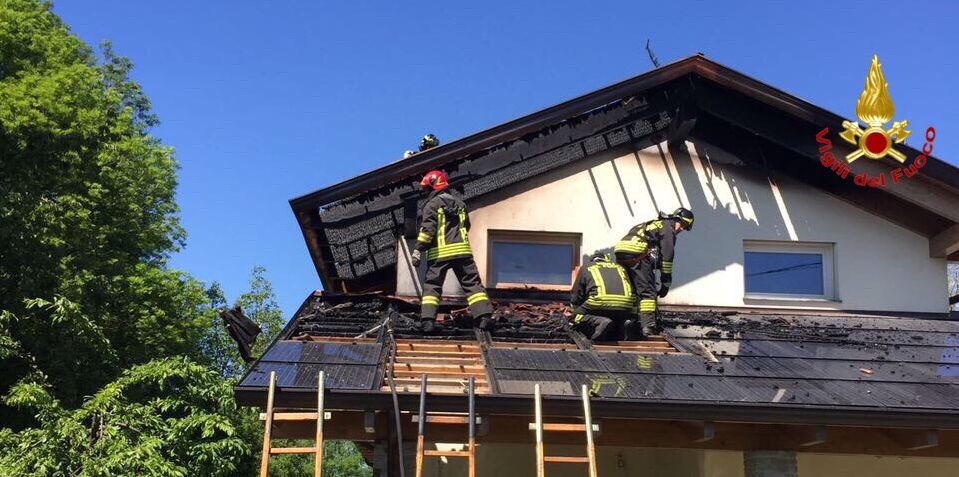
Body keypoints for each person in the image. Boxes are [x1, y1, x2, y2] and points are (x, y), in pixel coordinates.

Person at [411, 170, 493, 333]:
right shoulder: (460, 204)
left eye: (427, 188)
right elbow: (466, 226)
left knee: (432, 286)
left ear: (433, 186)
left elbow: (428, 230)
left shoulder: (432, 205)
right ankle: (484, 317)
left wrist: (418, 250)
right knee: (472, 284)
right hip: (463, 252)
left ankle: (427, 321)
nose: (425, 192)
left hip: (439, 253)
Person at [613, 207, 694, 338]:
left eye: (686, 227)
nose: (682, 229)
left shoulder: (652, 224)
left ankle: (628, 321)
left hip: (621, 252)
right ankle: (648, 327)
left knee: (632, 290)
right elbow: (667, 258)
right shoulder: (668, 228)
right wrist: (666, 284)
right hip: (637, 253)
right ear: (675, 219)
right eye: (683, 224)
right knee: (648, 292)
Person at [569, 253, 638, 342]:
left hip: (598, 302)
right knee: (616, 314)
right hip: (625, 304)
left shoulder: (587, 267)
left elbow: (577, 293)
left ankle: (601, 322)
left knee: (576, 316)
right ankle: (624, 323)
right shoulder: (620, 268)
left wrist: (576, 309)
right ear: (607, 259)